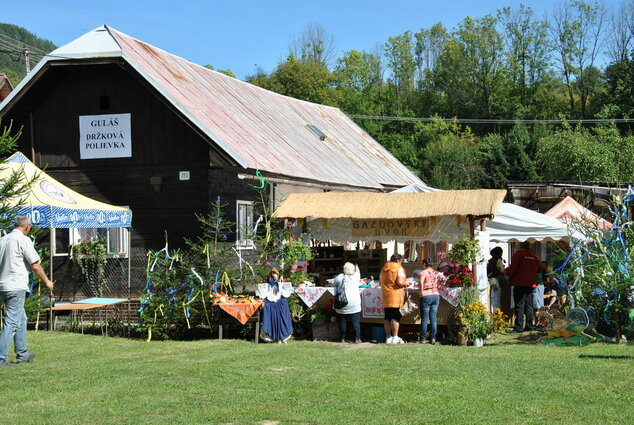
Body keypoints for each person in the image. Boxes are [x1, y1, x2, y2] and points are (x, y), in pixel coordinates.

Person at [0, 216, 54, 366]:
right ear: (27, 227)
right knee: (11, 323)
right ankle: (1, 358)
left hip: (2, 285)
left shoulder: (3, 240)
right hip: (15, 286)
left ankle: (22, 354)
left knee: (21, 319)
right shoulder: (23, 240)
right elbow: (35, 265)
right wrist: (47, 281)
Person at [506, 241, 543, 333]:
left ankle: (519, 327)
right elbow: (539, 268)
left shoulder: (518, 255)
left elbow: (513, 269)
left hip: (519, 282)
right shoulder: (533, 256)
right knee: (529, 304)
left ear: (519, 246)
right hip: (531, 283)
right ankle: (529, 325)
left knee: (519, 304)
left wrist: (506, 272)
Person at [257, 268, 293, 343]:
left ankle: (282, 337)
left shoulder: (280, 284)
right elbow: (262, 293)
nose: (274, 276)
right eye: (273, 274)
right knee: (271, 320)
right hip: (269, 304)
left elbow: (286, 292)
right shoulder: (267, 285)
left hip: (278, 303)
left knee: (281, 320)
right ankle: (273, 337)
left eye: (276, 274)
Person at [380, 253, 409, 344]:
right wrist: (407, 283)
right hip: (395, 296)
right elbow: (400, 282)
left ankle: (388, 337)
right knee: (395, 317)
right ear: (398, 260)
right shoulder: (399, 268)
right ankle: (395, 337)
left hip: (386, 295)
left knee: (387, 317)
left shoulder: (384, 267)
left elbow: (381, 281)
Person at [333, 262, 362, 343]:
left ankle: (342, 338)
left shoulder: (341, 276)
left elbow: (333, 283)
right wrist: (356, 266)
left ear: (344, 269)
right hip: (355, 302)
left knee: (342, 320)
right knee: (355, 321)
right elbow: (358, 271)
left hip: (343, 302)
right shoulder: (356, 276)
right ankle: (357, 338)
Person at [418, 258, 441, 344]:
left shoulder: (423, 272)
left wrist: (421, 292)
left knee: (424, 318)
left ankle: (423, 338)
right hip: (435, 294)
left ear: (424, 264)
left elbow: (421, 282)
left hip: (426, 295)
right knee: (433, 317)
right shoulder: (436, 273)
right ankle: (433, 337)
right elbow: (439, 285)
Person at [487, 247, 506, 312]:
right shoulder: (498, 260)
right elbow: (502, 270)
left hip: (491, 279)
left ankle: (494, 311)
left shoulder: (491, 260)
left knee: (493, 298)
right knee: (497, 297)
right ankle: (497, 312)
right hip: (497, 280)